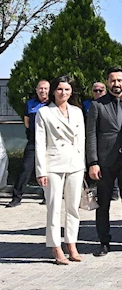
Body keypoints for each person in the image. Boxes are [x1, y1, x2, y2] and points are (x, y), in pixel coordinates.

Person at [86, 67, 122, 256]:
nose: (116, 84)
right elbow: (91, 135)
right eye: (112, 80)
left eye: (119, 80)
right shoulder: (97, 105)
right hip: (105, 162)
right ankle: (103, 241)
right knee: (103, 204)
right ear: (107, 82)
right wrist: (93, 162)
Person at [35, 76, 85, 265]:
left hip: (75, 164)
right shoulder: (44, 113)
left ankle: (71, 243)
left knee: (73, 207)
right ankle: (56, 247)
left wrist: (83, 164)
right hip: (53, 164)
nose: (63, 93)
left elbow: (81, 140)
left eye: (67, 89)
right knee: (54, 207)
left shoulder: (77, 112)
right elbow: (40, 143)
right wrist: (41, 170)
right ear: (53, 91)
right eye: (60, 89)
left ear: (71, 91)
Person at [6, 79, 49, 208]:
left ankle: (47, 196)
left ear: (49, 90)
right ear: (36, 90)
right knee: (25, 168)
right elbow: (26, 121)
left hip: (50, 141)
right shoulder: (30, 103)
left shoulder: (52, 104)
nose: (43, 91)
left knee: (49, 169)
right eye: (40, 88)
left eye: (46, 88)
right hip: (34, 140)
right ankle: (16, 197)